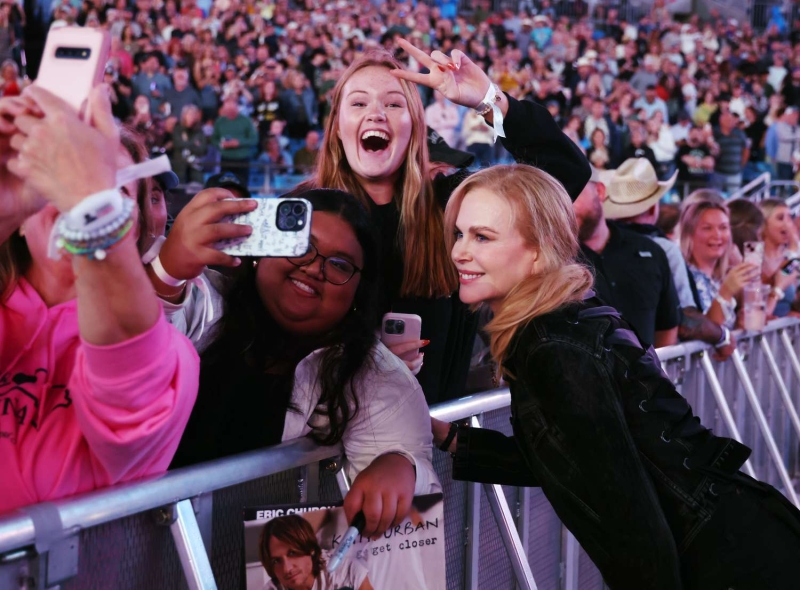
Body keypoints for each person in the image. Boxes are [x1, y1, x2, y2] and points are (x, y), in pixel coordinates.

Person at [433, 163, 800, 590]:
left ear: (537, 249)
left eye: (482, 237)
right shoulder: (557, 325)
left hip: (726, 561)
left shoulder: (552, 346)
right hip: (732, 543)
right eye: (459, 234)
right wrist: (448, 436)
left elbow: (631, 517)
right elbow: (567, 457)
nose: (460, 251)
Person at [296, 40, 590, 403]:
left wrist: (488, 99)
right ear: (338, 127)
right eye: (358, 103)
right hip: (314, 447)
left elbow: (563, 175)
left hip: (432, 443)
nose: (376, 114)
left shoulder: (451, 204)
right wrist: (355, 358)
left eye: (393, 103)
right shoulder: (299, 211)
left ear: (416, 126)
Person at [155, 189, 437, 536]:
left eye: (339, 264)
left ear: (357, 293)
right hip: (139, 550)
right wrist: (164, 274)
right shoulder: (203, 301)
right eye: (301, 246)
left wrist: (400, 466)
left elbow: (413, 461)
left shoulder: (374, 376)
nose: (315, 268)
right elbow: (128, 345)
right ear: (264, 249)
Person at [0, 87, 199, 513]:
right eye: (57, 182)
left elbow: (128, 378)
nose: (78, 194)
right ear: (19, 223)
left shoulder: (170, 356)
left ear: (135, 230)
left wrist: (90, 204)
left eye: (116, 190)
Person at [603, 159, 736, 358]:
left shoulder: (597, 244)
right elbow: (684, 320)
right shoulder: (663, 249)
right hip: (649, 366)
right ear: (652, 207)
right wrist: (722, 337)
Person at [573, 162, 679, 348]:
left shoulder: (651, 251)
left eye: (572, 193)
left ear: (599, 191)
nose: (563, 206)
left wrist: (655, 373)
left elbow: (667, 326)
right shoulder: (551, 262)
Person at [680, 200, 760, 329]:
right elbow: (703, 332)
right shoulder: (685, 279)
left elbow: (755, 303)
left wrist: (741, 323)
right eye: (707, 228)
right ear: (689, 233)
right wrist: (726, 292)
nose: (717, 235)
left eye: (723, 228)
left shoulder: (718, 279)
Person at [260, 515, 373, 590]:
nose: (287, 569)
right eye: (276, 561)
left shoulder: (345, 572)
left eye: (292, 553)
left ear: (311, 549)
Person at [759, 199, 799, 317]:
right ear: (764, 224)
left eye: (789, 218)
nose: (787, 224)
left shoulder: (788, 255)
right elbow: (783, 274)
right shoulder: (755, 258)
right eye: (780, 218)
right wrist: (793, 250)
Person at [211, 95, 259, 186]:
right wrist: (222, 145)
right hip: (225, 159)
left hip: (242, 160)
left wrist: (238, 142)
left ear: (237, 107)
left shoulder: (246, 121)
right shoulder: (219, 122)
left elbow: (254, 139)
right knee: (224, 186)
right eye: (227, 107)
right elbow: (214, 139)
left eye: (231, 107)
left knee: (242, 186)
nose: (229, 110)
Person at [170, 104, 208, 184]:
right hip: (180, 166)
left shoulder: (199, 130)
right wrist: (194, 144)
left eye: (194, 114)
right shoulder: (178, 129)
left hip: (195, 167)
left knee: (198, 186)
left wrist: (185, 144)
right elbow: (177, 144)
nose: (192, 116)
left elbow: (203, 149)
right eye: (189, 114)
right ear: (184, 116)